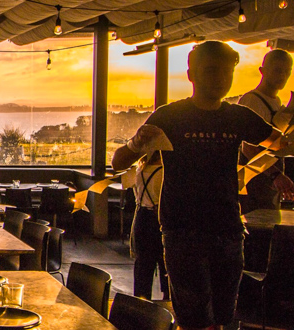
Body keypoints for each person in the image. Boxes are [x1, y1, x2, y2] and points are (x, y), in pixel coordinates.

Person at [111, 41, 289, 330]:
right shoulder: (170, 116)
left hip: (229, 229)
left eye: (226, 73)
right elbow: (119, 162)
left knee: (222, 318)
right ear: (191, 74)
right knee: (194, 320)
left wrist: (281, 126)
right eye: (211, 71)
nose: (220, 79)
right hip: (182, 232)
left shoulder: (238, 117)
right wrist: (136, 144)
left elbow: (279, 143)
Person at [238, 50, 294, 213]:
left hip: (269, 185)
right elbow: (247, 148)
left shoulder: (276, 101)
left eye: (287, 71)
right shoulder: (251, 101)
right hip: (253, 185)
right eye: (277, 70)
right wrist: (275, 175)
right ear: (262, 71)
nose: (283, 76)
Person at [129, 151, 169, 300]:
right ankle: (167, 301)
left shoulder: (139, 170)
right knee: (166, 262)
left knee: (143, 266)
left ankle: (141, 301)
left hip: (142, 218)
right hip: (159, 217)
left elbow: (136, 195)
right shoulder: (165, 172)